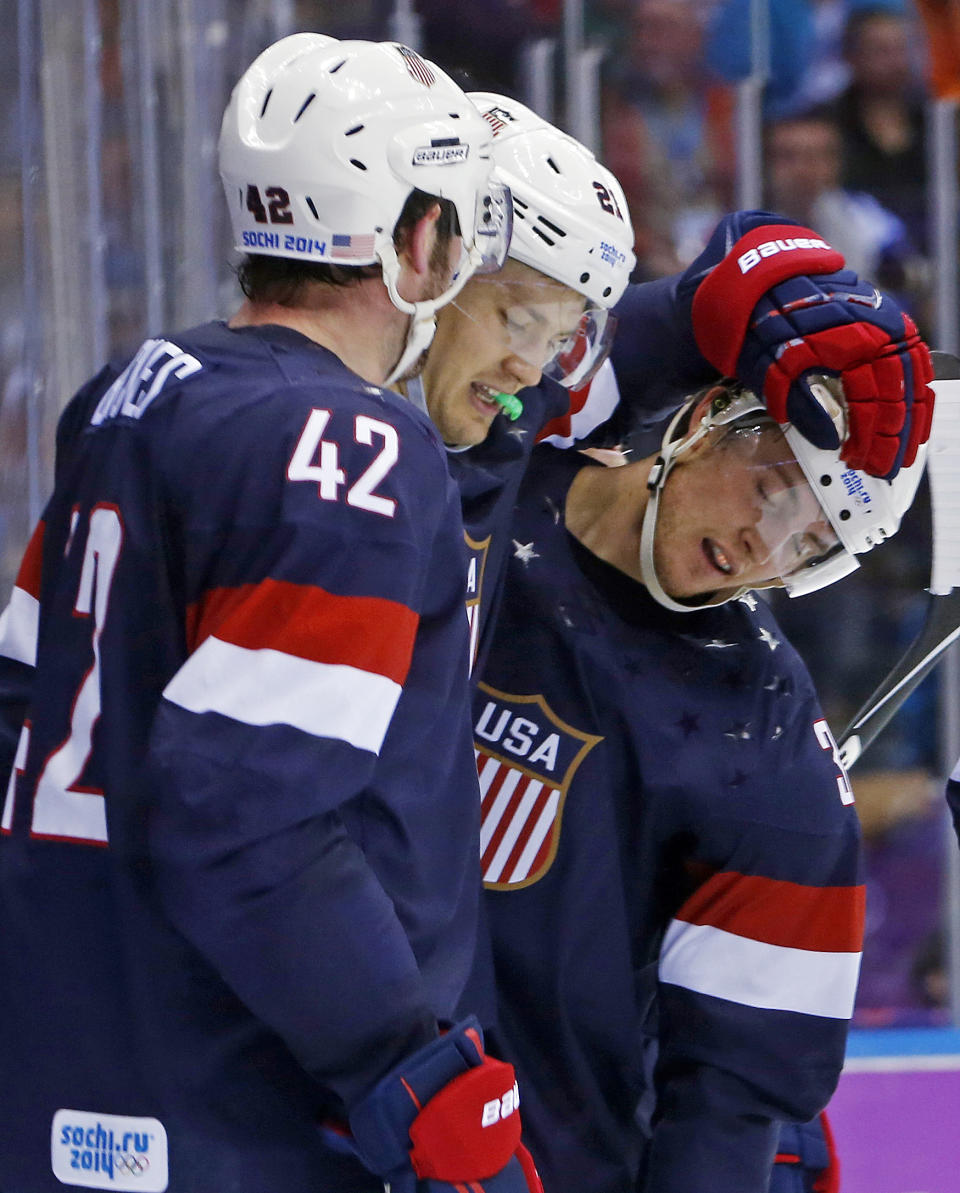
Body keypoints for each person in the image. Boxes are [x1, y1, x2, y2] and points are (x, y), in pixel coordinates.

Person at [0, 33, 540, 1193]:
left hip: (74, 1054)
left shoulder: (130, 392)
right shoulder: (354, 446)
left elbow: (18, 702)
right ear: (413, 236)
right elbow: (249, 814)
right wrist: (410, 1068)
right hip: (245, 1101)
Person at [470, 377, 929, 1193]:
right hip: (297, 1091)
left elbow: (735, 1092)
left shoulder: (771, 739)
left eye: (810, 542)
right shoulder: (494, 476)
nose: (767, 543)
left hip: (547, 1161)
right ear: (705, 421)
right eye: (772, 491)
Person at [404, 93, 934, 679]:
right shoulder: (318, 424)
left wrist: (711, 305)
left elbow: (653, 343)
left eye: (557, 341)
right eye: (521, 322)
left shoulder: (492, 420)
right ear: (424, 258)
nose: (529, 373)